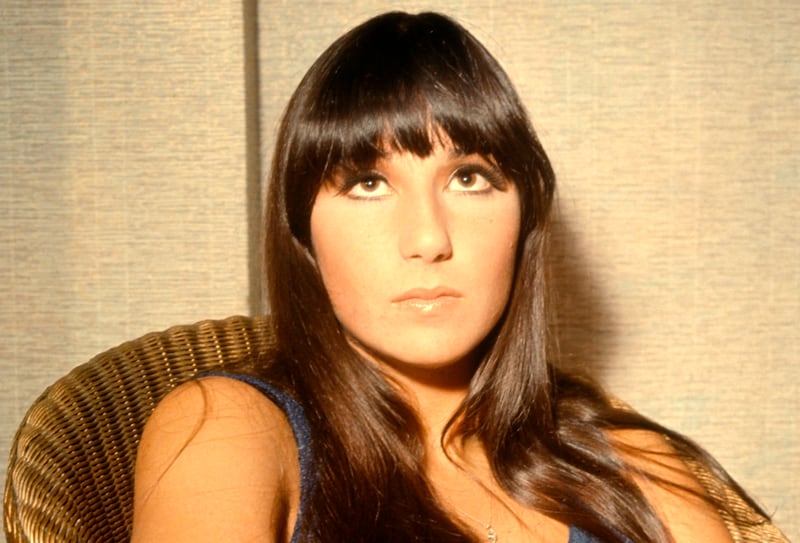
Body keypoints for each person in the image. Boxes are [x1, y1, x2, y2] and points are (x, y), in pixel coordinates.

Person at [131, 11, 780, 543]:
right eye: (368, 183)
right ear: (303, 233)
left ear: (524, 219)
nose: (428, 239)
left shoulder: (636, 465)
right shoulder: (230, 430)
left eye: (469, 178)